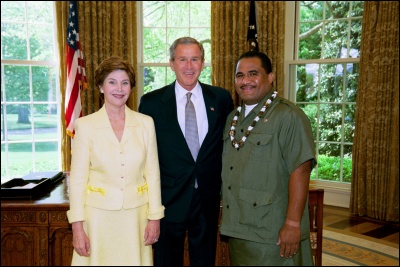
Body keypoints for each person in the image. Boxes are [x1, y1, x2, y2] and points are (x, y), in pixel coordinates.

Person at [139, 37, 234, 266]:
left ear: (203, 63)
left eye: (195, 59)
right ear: (172, 63)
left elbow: (229, 146)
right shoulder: (151, 103)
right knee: (166, 261)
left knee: (205, 260)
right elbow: (144, 155)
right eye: (182, 59)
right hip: (168, 201)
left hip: (207, 199)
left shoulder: (221, 99)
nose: (189, 66)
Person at [220, 51, 316, 266]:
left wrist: (292, 223)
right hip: (239, 226)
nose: (245, 81)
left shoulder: (288, 116)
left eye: (253, 74)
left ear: (270, 77)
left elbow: (300, 169)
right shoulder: (232, 118)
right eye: (240, 75)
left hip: (272, 232)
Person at [67, 56, 165, 266]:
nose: (119, 88)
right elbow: (77, 181)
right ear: (101, 87)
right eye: (112, 82)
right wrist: (77, 226)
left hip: (136, 218)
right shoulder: (85, 125)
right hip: (97, 219)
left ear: (131, 87)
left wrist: (155, 217)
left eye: (125, 82)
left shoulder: (146, 124)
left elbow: (153, 174)